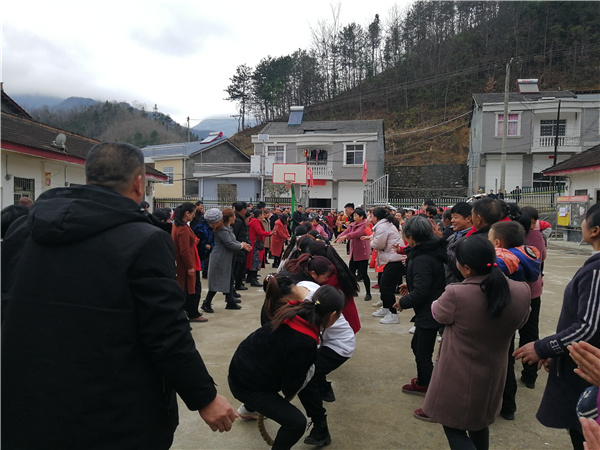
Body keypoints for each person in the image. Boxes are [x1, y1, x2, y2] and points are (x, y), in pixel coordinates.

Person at [1, 142, 237, 449]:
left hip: (29, 406)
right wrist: (204, 396)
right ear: (139, 183)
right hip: (112, 413)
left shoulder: (22, 231)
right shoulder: (144, 240)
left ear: (89, 179)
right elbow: (165, 332)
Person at [421, 236, 531, 448]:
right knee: (479, 423)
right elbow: (522, 321)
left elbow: (437, 313)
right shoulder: (520, 291)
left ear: (467, 269)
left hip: (458, 375)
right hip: (494, 372)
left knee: (453, 426)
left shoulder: (457, 293)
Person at [514, 202, 600, 450]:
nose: (582, 223)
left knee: (585, 432)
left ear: (594, 230)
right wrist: (560, 353)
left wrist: (544, 348)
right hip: (579, 360)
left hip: (587, 369)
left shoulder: (596, 272)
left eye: (585, 219)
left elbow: (588, 327)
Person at [228, 285, 345, 450]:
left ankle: (249, 409)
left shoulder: (294, 310)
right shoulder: (305, 343)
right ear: (333, 315)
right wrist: (307, 370)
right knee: (296, 423)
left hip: (241, 370)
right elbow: (289, 389)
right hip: (246, 386)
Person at [393, 215, 447, 401]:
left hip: (430, 311)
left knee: (423, 353)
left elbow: (423, 291)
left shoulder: (423, 257)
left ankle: (432, 392)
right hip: (429, 307)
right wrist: (410, 286)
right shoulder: (427, 249)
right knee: (417, 346)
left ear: (412, 237)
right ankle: (425, 381)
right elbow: (425, 281)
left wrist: (403, 302)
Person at [201, 208, 252, 312]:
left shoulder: (227, 228)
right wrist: (241, 246)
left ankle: (230, 302)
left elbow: (233, 241)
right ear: (229, 218)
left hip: (226, 258)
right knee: (216, 282)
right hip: (220, 258)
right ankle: (206, 303)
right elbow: (229, 243)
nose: (235, 218)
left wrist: (242, 245)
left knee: (228, 279)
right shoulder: (222, 229)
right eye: (233, 216)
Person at [366, 207, 406, 324]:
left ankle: (393, 314)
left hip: (395, 259)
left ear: (377, 217)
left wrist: (371, 240)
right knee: (383, 284)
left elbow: (378, 244)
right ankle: (386, 308)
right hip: (392, 259)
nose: (370, 218)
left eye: (372, 216)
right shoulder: (384, 225)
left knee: (386, 287)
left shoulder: (383, 227)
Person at [171, 202, 207, 323]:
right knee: (191, 289)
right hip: (187, 264)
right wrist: (190, 266)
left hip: (185, 262)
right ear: (187, 213)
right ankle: (192, 313)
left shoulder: (178, 226)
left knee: (188, 288)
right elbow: (184, 250)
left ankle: (189, 312)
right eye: (193, 213)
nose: (194, 216)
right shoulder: (183, 229)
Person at [335, 208, 372, 301]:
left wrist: (345, 237)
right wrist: (339, 237)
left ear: (361, 217)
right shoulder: (353, 224)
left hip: (362, 253)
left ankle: (368, 293)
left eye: (356, 216)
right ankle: (353, 291)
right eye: (354, 215)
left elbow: (357, 234)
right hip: (354, 253)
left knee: (364, 274)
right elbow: (346, 231)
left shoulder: (364, 225)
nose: (354, 217)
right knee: (351, 273)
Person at [246, 209, 274, 286]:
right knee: (256, 261)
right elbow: (259, 231)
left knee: (253, 261)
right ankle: (253, 279)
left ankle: (250, 277)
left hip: (254, 243)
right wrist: (269, 233)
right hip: (256, 244)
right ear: (259, 215)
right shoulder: (255, 222)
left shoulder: (253, 221)